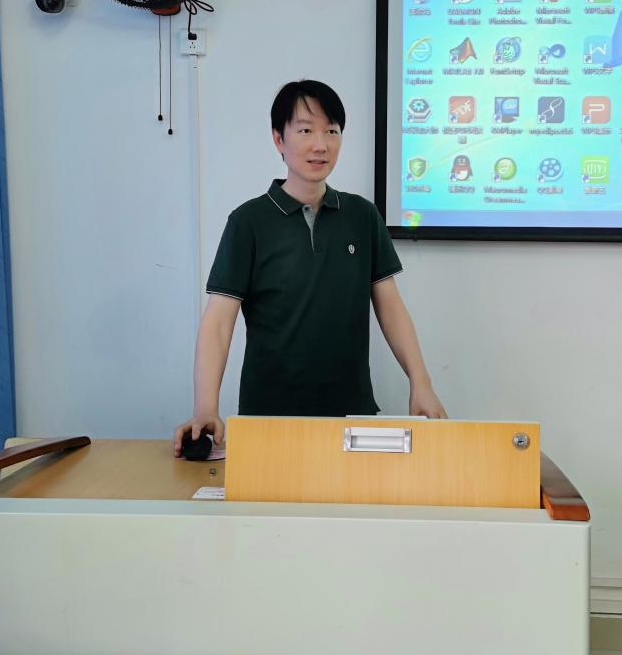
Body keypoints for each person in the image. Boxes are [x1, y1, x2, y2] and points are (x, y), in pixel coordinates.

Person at [174, 80, 445, 455]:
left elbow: (391, 307)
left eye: (331, 131)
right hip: (269, 419)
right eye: (305, 131)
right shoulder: (248, 222)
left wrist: (421, 382)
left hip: (352, 417)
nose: (321, 145)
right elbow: (219, 322)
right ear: (278, 139)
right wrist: (206, 408)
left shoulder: (362, 215)